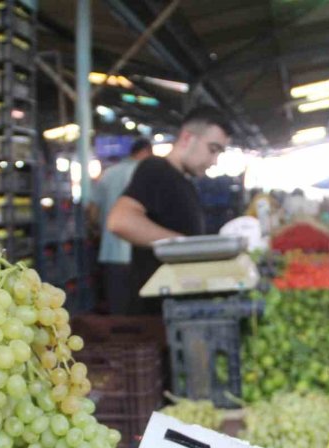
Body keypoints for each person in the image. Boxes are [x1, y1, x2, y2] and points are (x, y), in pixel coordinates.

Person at [107, 106, 231, 314]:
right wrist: (185, 246)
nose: (214, 160)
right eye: (212, 149)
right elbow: (120, 220)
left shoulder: (186, 183)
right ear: (187, 138)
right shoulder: (155, 169)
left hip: (178, 310)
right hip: (157, 314)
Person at [93, 138, 153, 314]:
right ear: (146, 152)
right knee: (140, 310)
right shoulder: (146, 174)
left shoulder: (108, 173)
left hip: (111, 252)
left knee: (117, 306)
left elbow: (92, 210)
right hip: (140, 252)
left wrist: (98, 229)